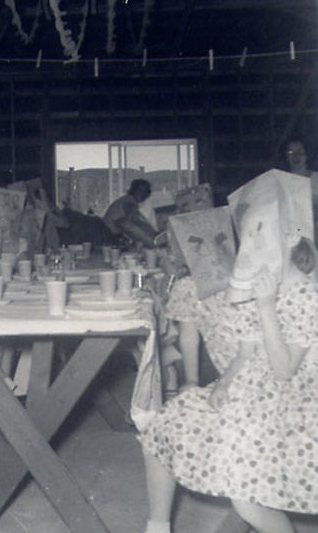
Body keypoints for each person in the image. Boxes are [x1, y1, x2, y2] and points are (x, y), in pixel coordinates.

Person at [139, 172, 318, 533]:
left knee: (246, 499)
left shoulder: (308, 296)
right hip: (248, 394)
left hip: (291, 406)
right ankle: (157, 526)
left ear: (291, 235)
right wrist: (225, 382)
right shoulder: (264, 281)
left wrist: (267, 307)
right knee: (163, 426)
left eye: (260, 233)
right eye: (249, 234)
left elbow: (284, 371)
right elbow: (246, 351)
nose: (252, 244)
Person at [103, 179, 157, 248]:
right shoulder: (129, 203)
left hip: (112, 236)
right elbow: (128, 226)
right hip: (109, 238)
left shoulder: (127, 201)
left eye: (146, 191)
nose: (144, 194)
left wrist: (154, 234)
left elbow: (140, 223)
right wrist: (149, 241)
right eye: (141, 191)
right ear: (134, 190)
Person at [284, 137, 318, 241]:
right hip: (292, 234)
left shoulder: (316, 178)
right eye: (291, 152)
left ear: (307, 154)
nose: (296, 156)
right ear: (286, 157)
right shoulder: (281, 181)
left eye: (300, 152)